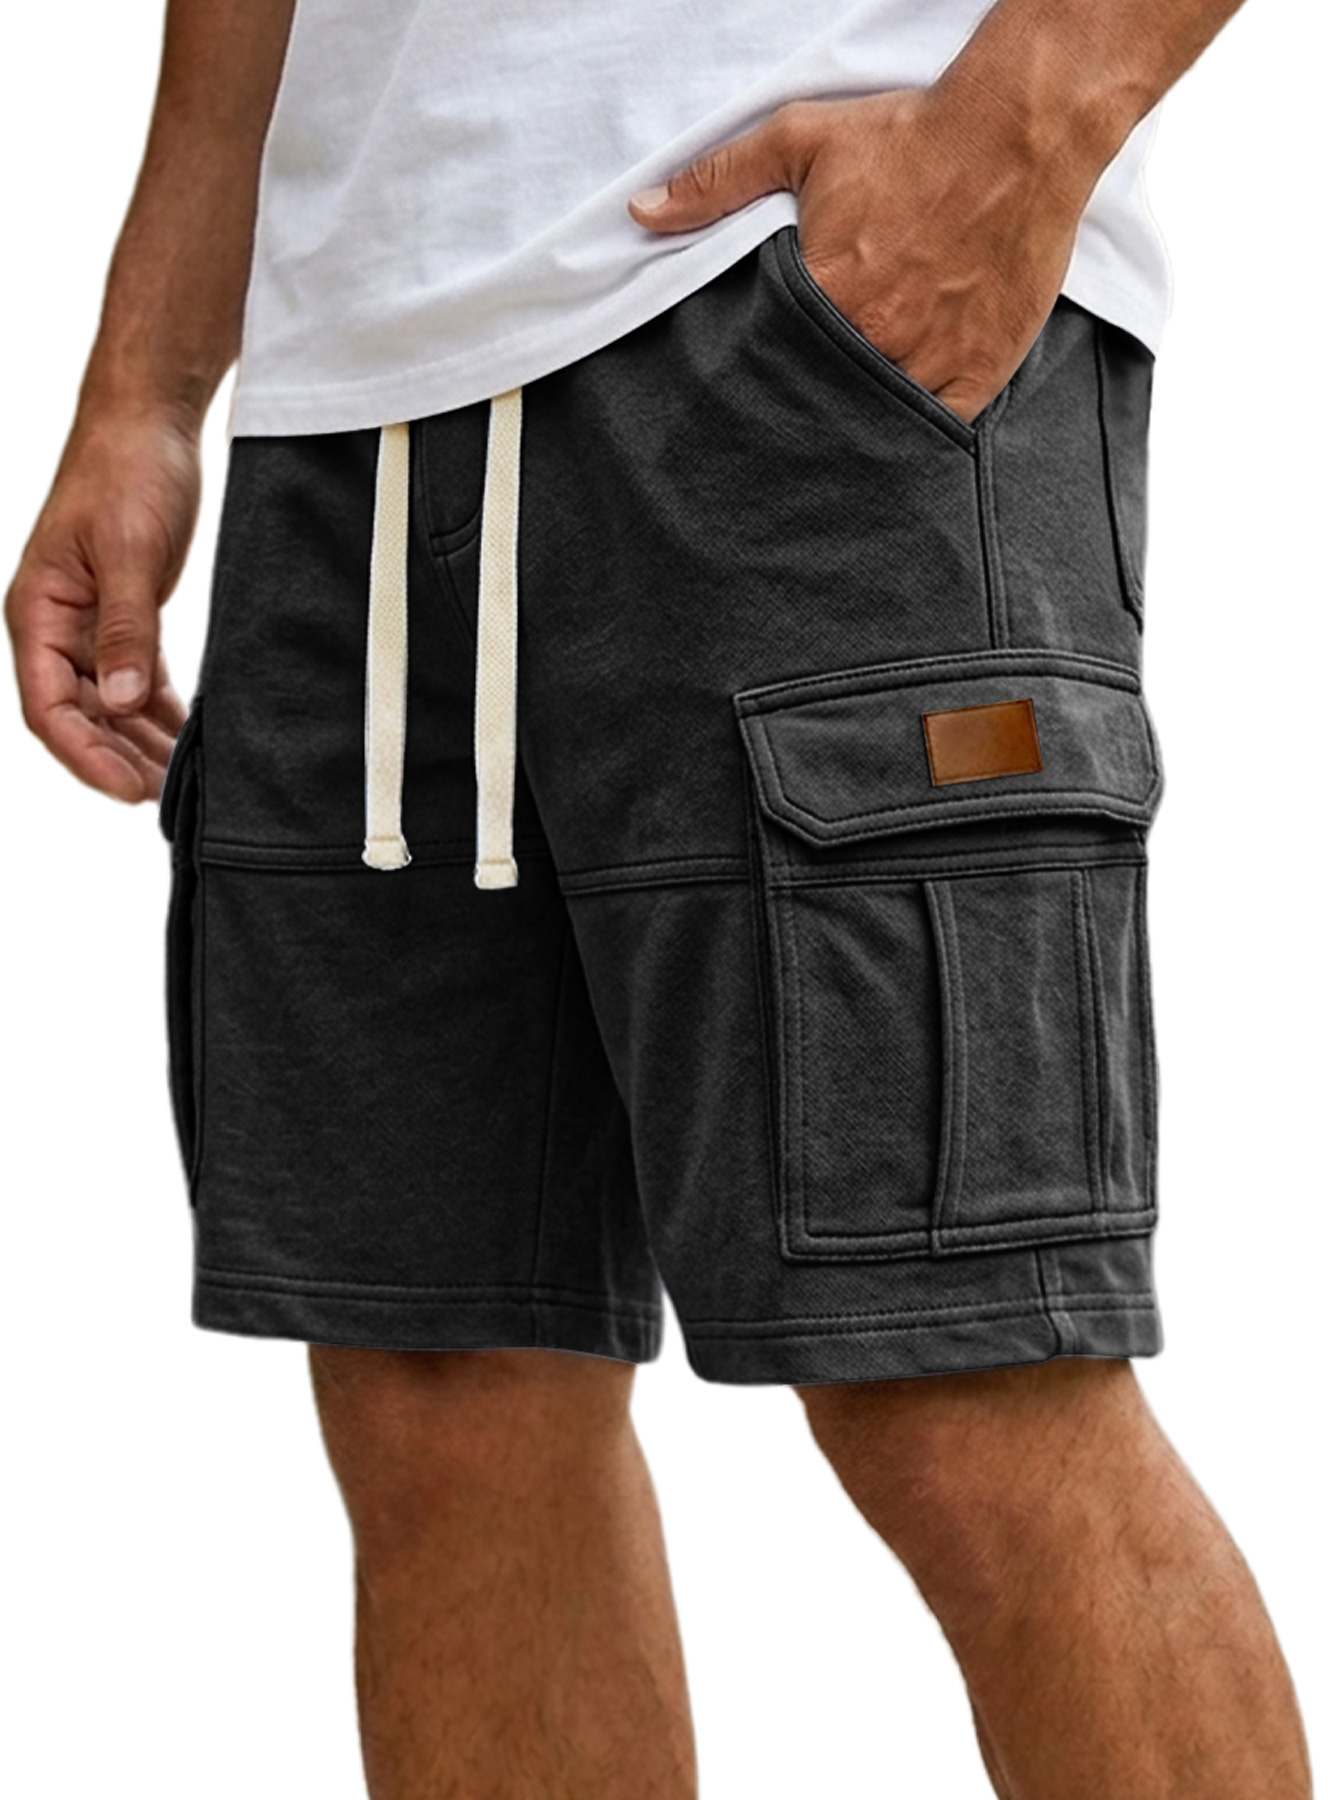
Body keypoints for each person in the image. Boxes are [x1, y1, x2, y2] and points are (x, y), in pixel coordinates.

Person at [3, 0, 1314, 1793]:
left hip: (810, 338)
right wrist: (146, 387)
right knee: (443, 1394)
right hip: (356, 406)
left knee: (965, 1381)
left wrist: (1020, 127)